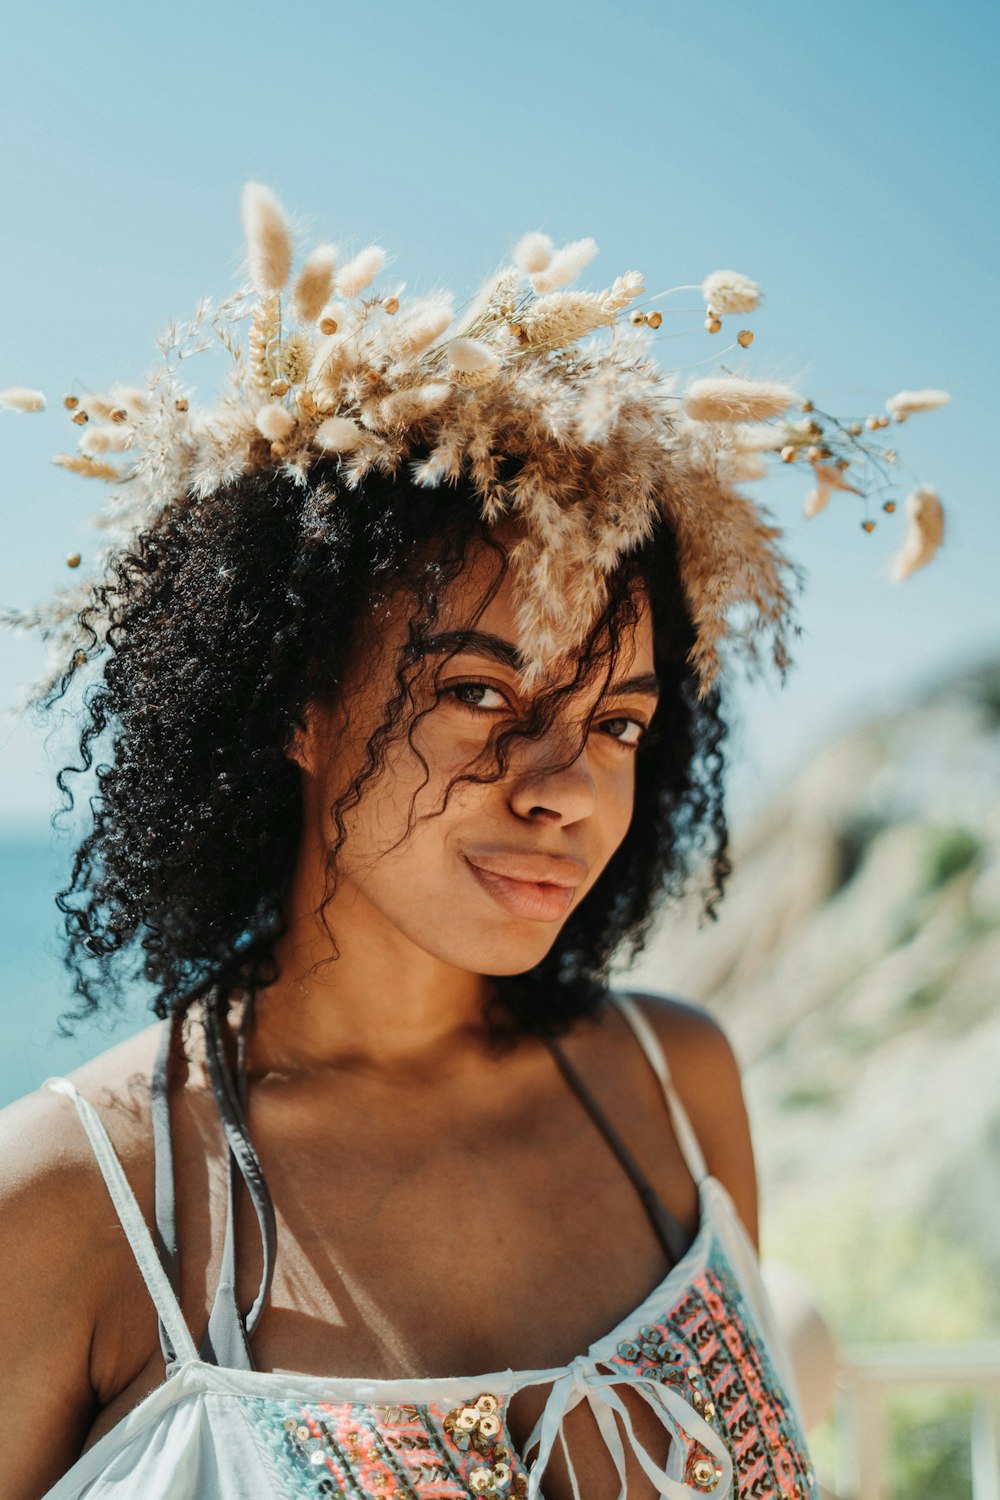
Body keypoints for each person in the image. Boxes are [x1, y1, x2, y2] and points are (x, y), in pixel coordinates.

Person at [5, 180, 925, 1500]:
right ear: (295, 705)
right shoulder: (75, 1206)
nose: (564, 787)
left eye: (616, 723)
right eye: (481, 694)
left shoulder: (675, 1087)